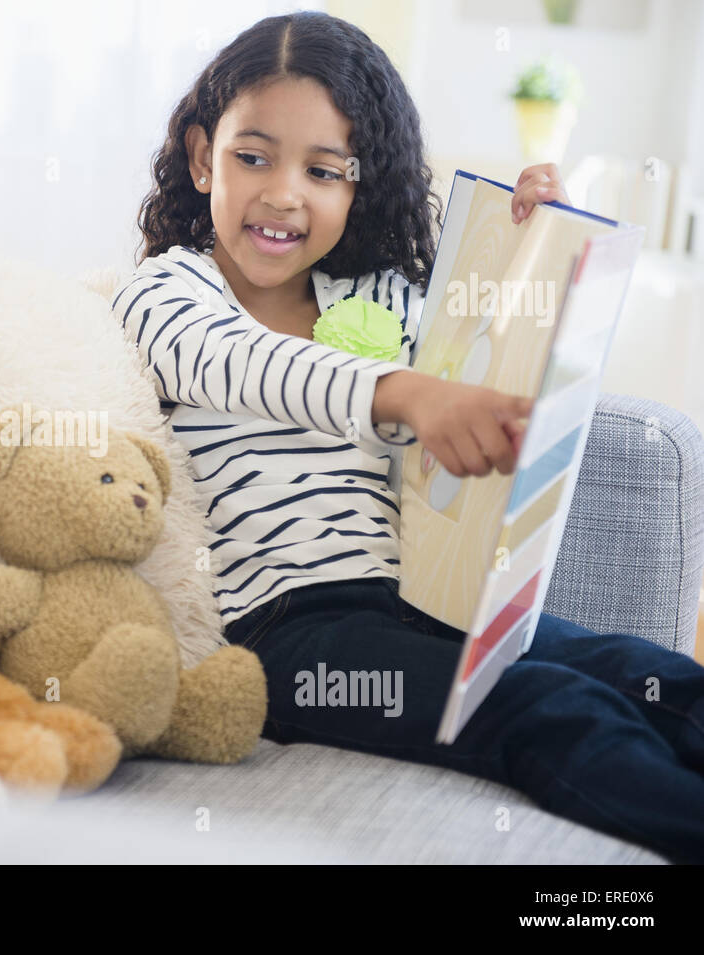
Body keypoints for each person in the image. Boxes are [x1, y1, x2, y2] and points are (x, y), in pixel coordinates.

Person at [112, 10, 704, 863]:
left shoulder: (382, 298)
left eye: (324, 169)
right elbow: (247, 365)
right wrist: (408, 392)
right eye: (254, 156)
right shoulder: (170, 294)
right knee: (540, 705)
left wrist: (543, 251)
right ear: (205, 157)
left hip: (433, 596)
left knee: (648, 675)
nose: (284, 193)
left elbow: (499, 370)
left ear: (361, 185)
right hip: (294, 639)